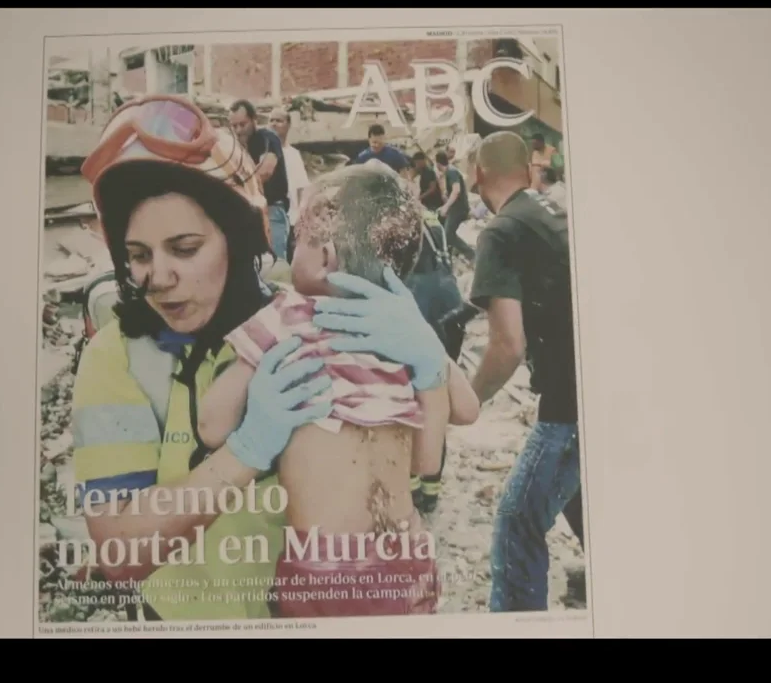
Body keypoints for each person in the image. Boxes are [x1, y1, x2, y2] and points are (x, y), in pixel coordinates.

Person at [68, 94, 472, 621]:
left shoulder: (295, 306)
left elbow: (457, 406)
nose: (158, 278)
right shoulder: (117, 355)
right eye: (138, 256)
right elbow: (118, 551)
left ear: (235, 241)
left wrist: (425, 349)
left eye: (185, 248)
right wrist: (246, 452)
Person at [196, 164, 480, 617]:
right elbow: (466, 408)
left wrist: (251, 419)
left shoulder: (287, 316)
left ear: (325, 255)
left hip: (324, 571)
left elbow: (211, 425)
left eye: (301, 238)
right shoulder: (400, 324)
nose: (292, 250)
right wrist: (429, 354)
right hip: (407, 562)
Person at [464, 131, 582, 612]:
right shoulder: (549, 212)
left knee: (516, 520)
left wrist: (469, 401)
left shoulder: (501, 230)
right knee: (578, 499)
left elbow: (507, 345)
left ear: (479, 172)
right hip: (593, 382)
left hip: (568, 400)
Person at [229, 99, 291, 262]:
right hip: (248, 212)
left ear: (254, 120)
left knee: (276, 264)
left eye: (243, 124)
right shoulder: (234, 147)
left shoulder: (267, 138)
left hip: (271, 210)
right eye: (234, 126)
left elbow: (266, 170)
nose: (238, 130)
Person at [268, 107, 311, 261]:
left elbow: (302, 187)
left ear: (288, 125)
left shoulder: (293, 154)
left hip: (291, 218)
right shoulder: (264, 152)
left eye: (279, 121)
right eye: (271, 120)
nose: (274, 124)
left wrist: (301, 215)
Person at [435, 151, 475, 261]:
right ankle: (453, 253)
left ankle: (471, 254)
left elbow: (456, 191)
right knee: (446, 231)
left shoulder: (451, 172)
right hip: (455, 208)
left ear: (438, 163)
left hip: (459, 209)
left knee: (448, 235)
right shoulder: (449, 172)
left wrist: (446, 207)